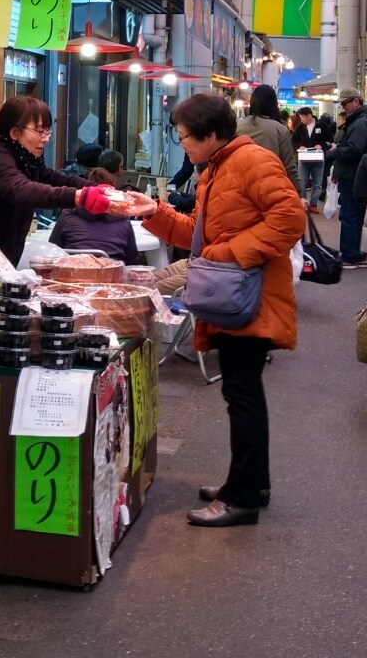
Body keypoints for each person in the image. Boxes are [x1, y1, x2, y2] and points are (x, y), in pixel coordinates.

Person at [125, 94, 305, 527]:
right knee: (241, 395)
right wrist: (155, 212)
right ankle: (249, 484)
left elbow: (290, 218)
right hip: (234, 296)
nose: (182, 144)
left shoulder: (251, 162)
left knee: (242, 397)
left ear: (210, 135)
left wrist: (229, 254)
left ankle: (241, 498)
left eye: (185, 137)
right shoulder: (218, 168)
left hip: (248, 298)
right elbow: (198, 234)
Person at [0, 95, 112, 266]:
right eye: (39, 131)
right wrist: (80, 197)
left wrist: (94, 187)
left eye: (47, 131)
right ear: (14, 132)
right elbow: (21, 189)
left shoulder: (25, 159)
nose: (46, 138)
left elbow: (54, 178)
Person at [49, 162, 140, 264]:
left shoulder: (67, 216)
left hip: (73, 275)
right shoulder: (123, 219)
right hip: (112, 277)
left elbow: (52, 252)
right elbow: (132, 260)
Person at [236, 85, 301, 196]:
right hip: (271, 189)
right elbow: (289, 167)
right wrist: (297, 193)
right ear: (273, 104)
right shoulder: (279, 129)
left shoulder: (238, 126)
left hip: (239, 187)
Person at [326, 91, 367, 266]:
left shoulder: (359, 123)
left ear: (356, 102)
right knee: (354, 214)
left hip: (353, 175)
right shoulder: (359, 121)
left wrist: (336, 151)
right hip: (353, 174)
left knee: (351, 214)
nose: (343, 107)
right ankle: (353, 252)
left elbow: (355, 150)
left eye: (345, 103)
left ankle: (350, 254)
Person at [291, 106, 325, 211]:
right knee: (302, 181)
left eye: (303, 117)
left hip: (318, 158)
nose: (301, 120)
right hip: (303, 158)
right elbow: (293, 141)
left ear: (309, 116)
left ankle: (313, 204)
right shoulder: (300, 127)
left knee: (317, 183)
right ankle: (303, 203)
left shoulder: (321, 125)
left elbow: (330, 140)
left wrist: (321, 145)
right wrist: (299, 147)